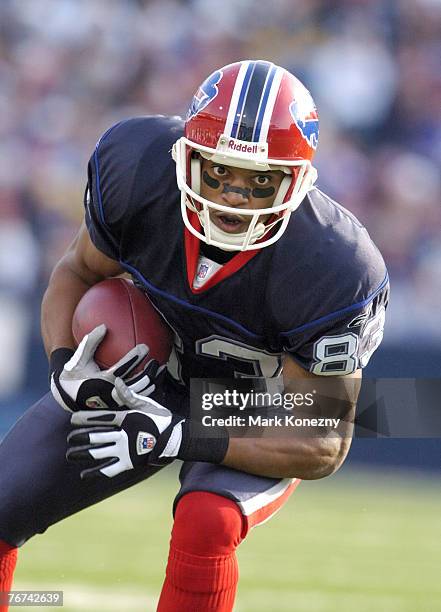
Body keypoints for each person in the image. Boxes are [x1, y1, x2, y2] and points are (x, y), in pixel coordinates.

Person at [0, 60, 388, 611]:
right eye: (219, 171)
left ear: (296, 181)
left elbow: (322, 439)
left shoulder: (335, 264)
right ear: (186, 156)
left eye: (261, 181)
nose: (234, 196)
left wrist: (179, 433)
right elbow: (75, 273)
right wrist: (68, 367)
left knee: (208, 517)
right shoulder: (137, 170)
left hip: (248, 405)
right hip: (137, 379)